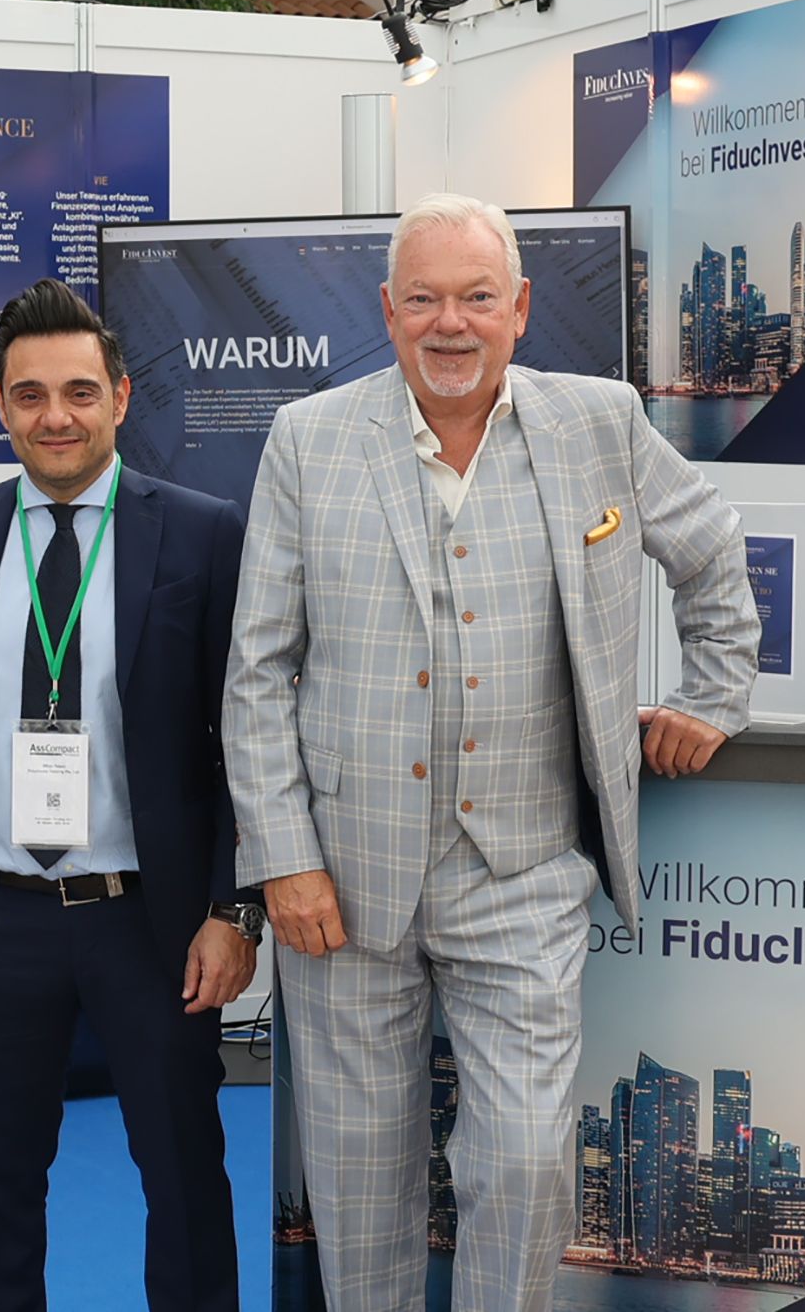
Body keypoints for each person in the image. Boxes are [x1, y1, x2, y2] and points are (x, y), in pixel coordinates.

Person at [226, 193, 758, 1310]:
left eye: (476, 296)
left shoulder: (600, 422)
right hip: (342, 881)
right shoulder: (309, 440)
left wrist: (713, 694)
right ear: (388, 310)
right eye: (423, 298)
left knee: (523, 1164)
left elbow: (711, 547)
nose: (450, 322)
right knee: (359, 1188)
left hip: (523, 871)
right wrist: (283, 855)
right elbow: (258, 669)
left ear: (518, 308)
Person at [0, 279, 257, 1312]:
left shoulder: (202, 533)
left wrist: (232, 908)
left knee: (183, 1174)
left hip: (153, 922)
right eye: (31, 393)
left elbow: (246, 740)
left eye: (80, 391)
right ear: (0, 404)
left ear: (121, 397)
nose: (57, 415)